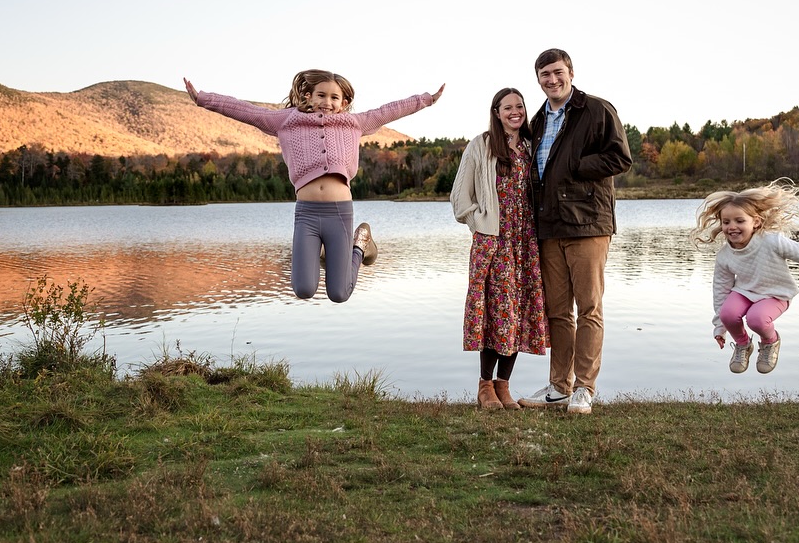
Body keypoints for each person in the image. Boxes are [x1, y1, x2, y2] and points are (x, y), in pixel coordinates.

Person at [183, 70, 444, 302]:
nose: (327, 102)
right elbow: (247, 111)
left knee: (339, 293)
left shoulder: (355, 123)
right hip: (306, 214)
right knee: (304, 289)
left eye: (334, 97)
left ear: (344, 103)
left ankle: (360, 244)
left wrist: (426, 100)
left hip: (340, 214)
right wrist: (204, 99)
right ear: (308, 96)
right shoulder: (286, 121)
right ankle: (328, 251)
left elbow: (390, 110)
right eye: (321, 95)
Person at [516, 49, 632, 415]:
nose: (552, 79)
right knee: (557, 312)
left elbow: (620, 158)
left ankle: (585, 389)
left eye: (557, 72)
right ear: (538, 80)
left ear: (570, 72)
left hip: (588, 224)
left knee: (590, 308)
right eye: (544, 75)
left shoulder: (596, 110)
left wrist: (574, 165)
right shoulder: (535, 121)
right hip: (548, 228)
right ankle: (558, 388)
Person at [692, 179, 799, 374]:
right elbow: (721, 291)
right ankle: (743, 345)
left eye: (740, 220)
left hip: (776, 294)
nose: (732, 227)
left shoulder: (772, 242)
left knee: (756, 319)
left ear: (756, 222)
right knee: (727, 313)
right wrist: (720, 327)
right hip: (744, 292)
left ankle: (770, 342)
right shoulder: (725, 256)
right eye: (726, 222)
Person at [450, 87, 550, 410]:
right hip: (493, 242)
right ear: (496, 112)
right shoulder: (481, 146)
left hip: (525, 242)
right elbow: (459, 198)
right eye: (507, 108)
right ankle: (485, 386)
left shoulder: (529, 146)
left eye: (519, 106)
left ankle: (503, 386)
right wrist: (480, 224)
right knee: (494, 313)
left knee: (518, 313)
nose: (514, 112)